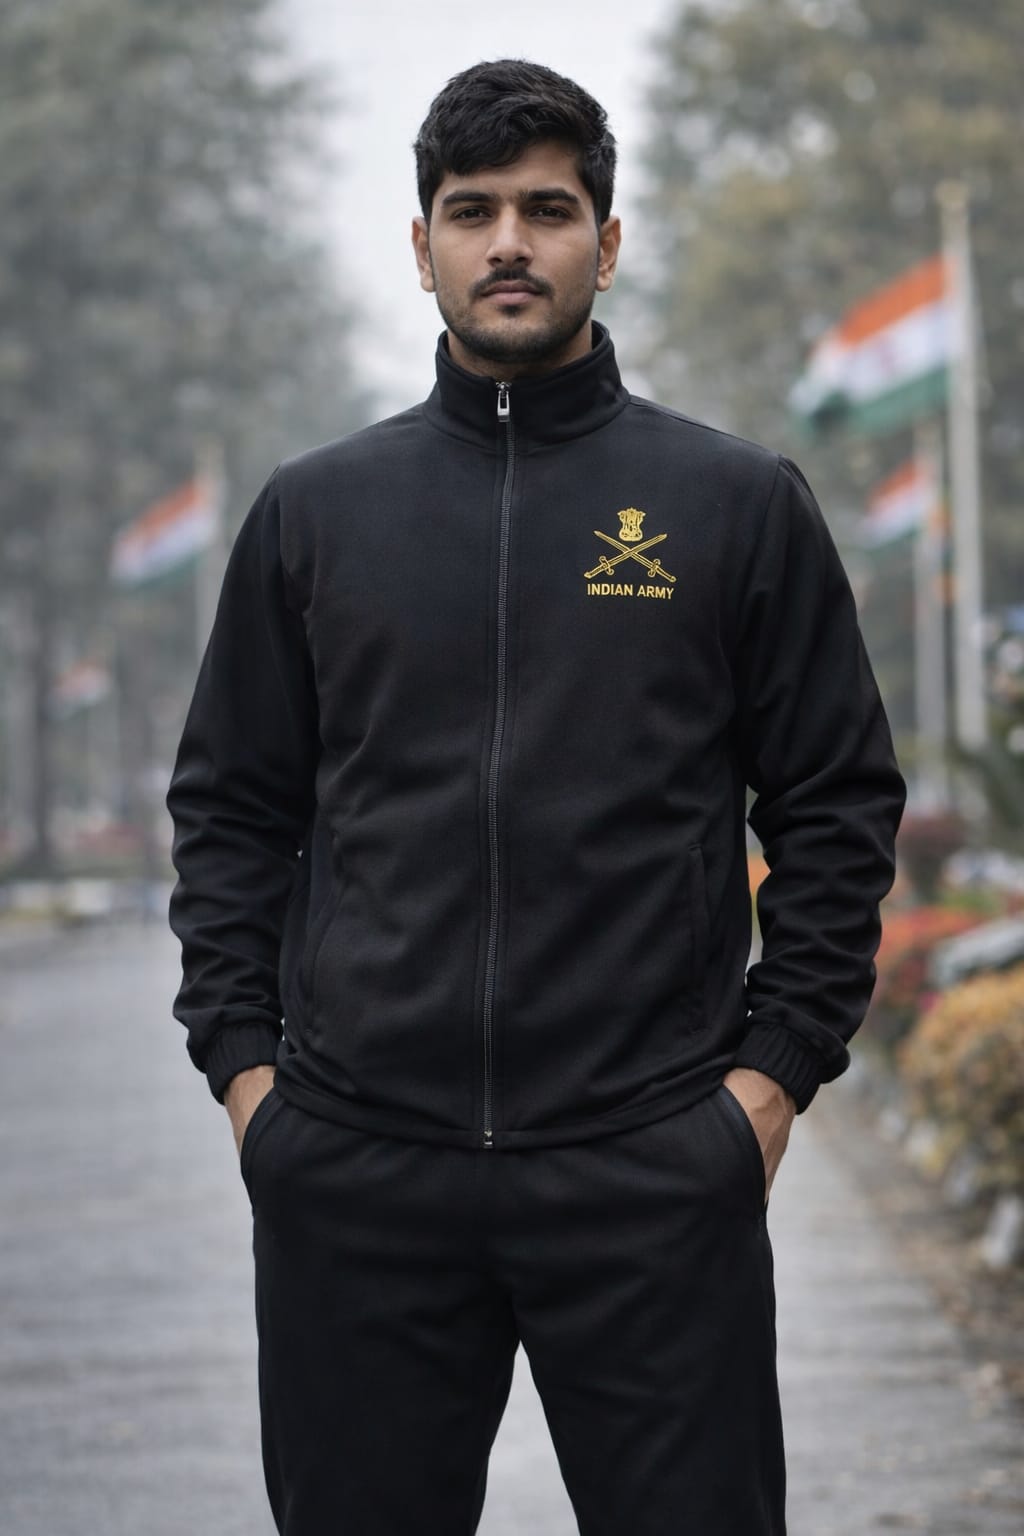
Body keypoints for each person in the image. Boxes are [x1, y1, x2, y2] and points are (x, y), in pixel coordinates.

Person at [167, 58, 906, 1536]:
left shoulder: (732, 503)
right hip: (360, 1176)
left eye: (548, 210)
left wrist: (767, 1083)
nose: (510, 242)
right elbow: (233, 808)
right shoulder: (318, 513)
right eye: (473, 211)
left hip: (649, 1167)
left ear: (606, 243)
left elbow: (835, 803)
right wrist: (252, 1083)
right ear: (423, 244)